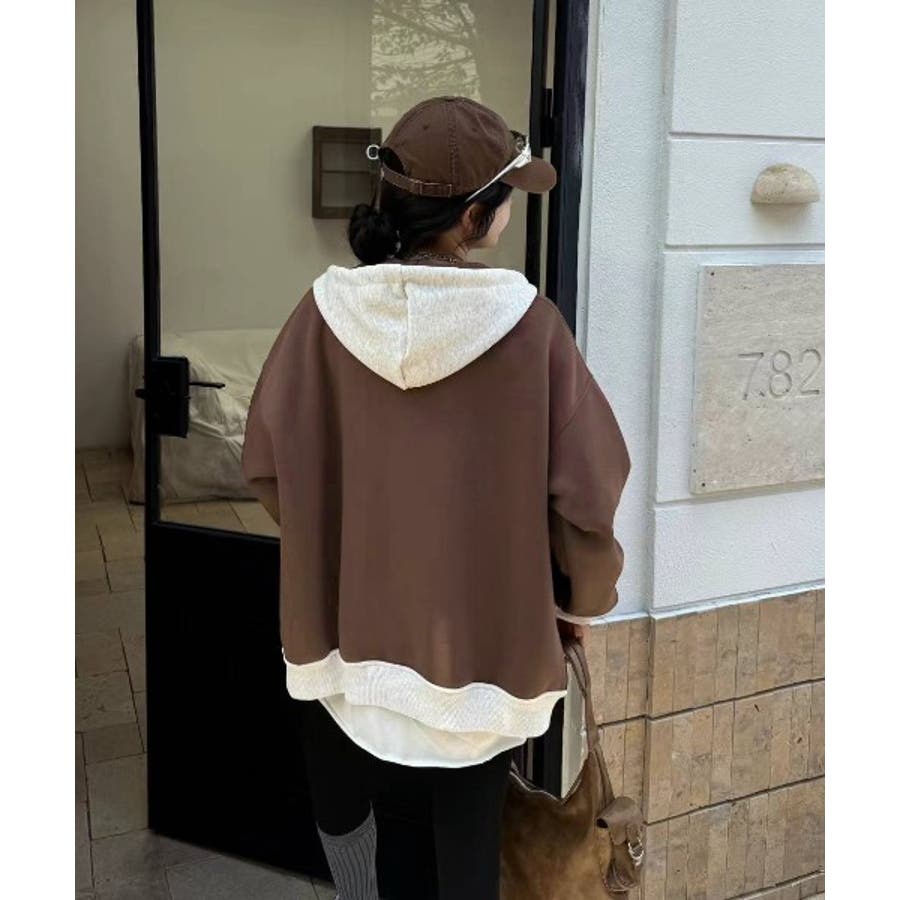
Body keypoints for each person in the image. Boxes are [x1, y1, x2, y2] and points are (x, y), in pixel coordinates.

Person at [241, 95, 630, 900]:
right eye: (507, 197)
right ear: (473, 220)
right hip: (481, 649)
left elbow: (269, 465)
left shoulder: (320, 317)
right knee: (470, 832)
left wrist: (338, 548)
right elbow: (588, 494)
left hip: (344, 634)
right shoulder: (532, 329)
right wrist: (580, 599)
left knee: (341, 807)